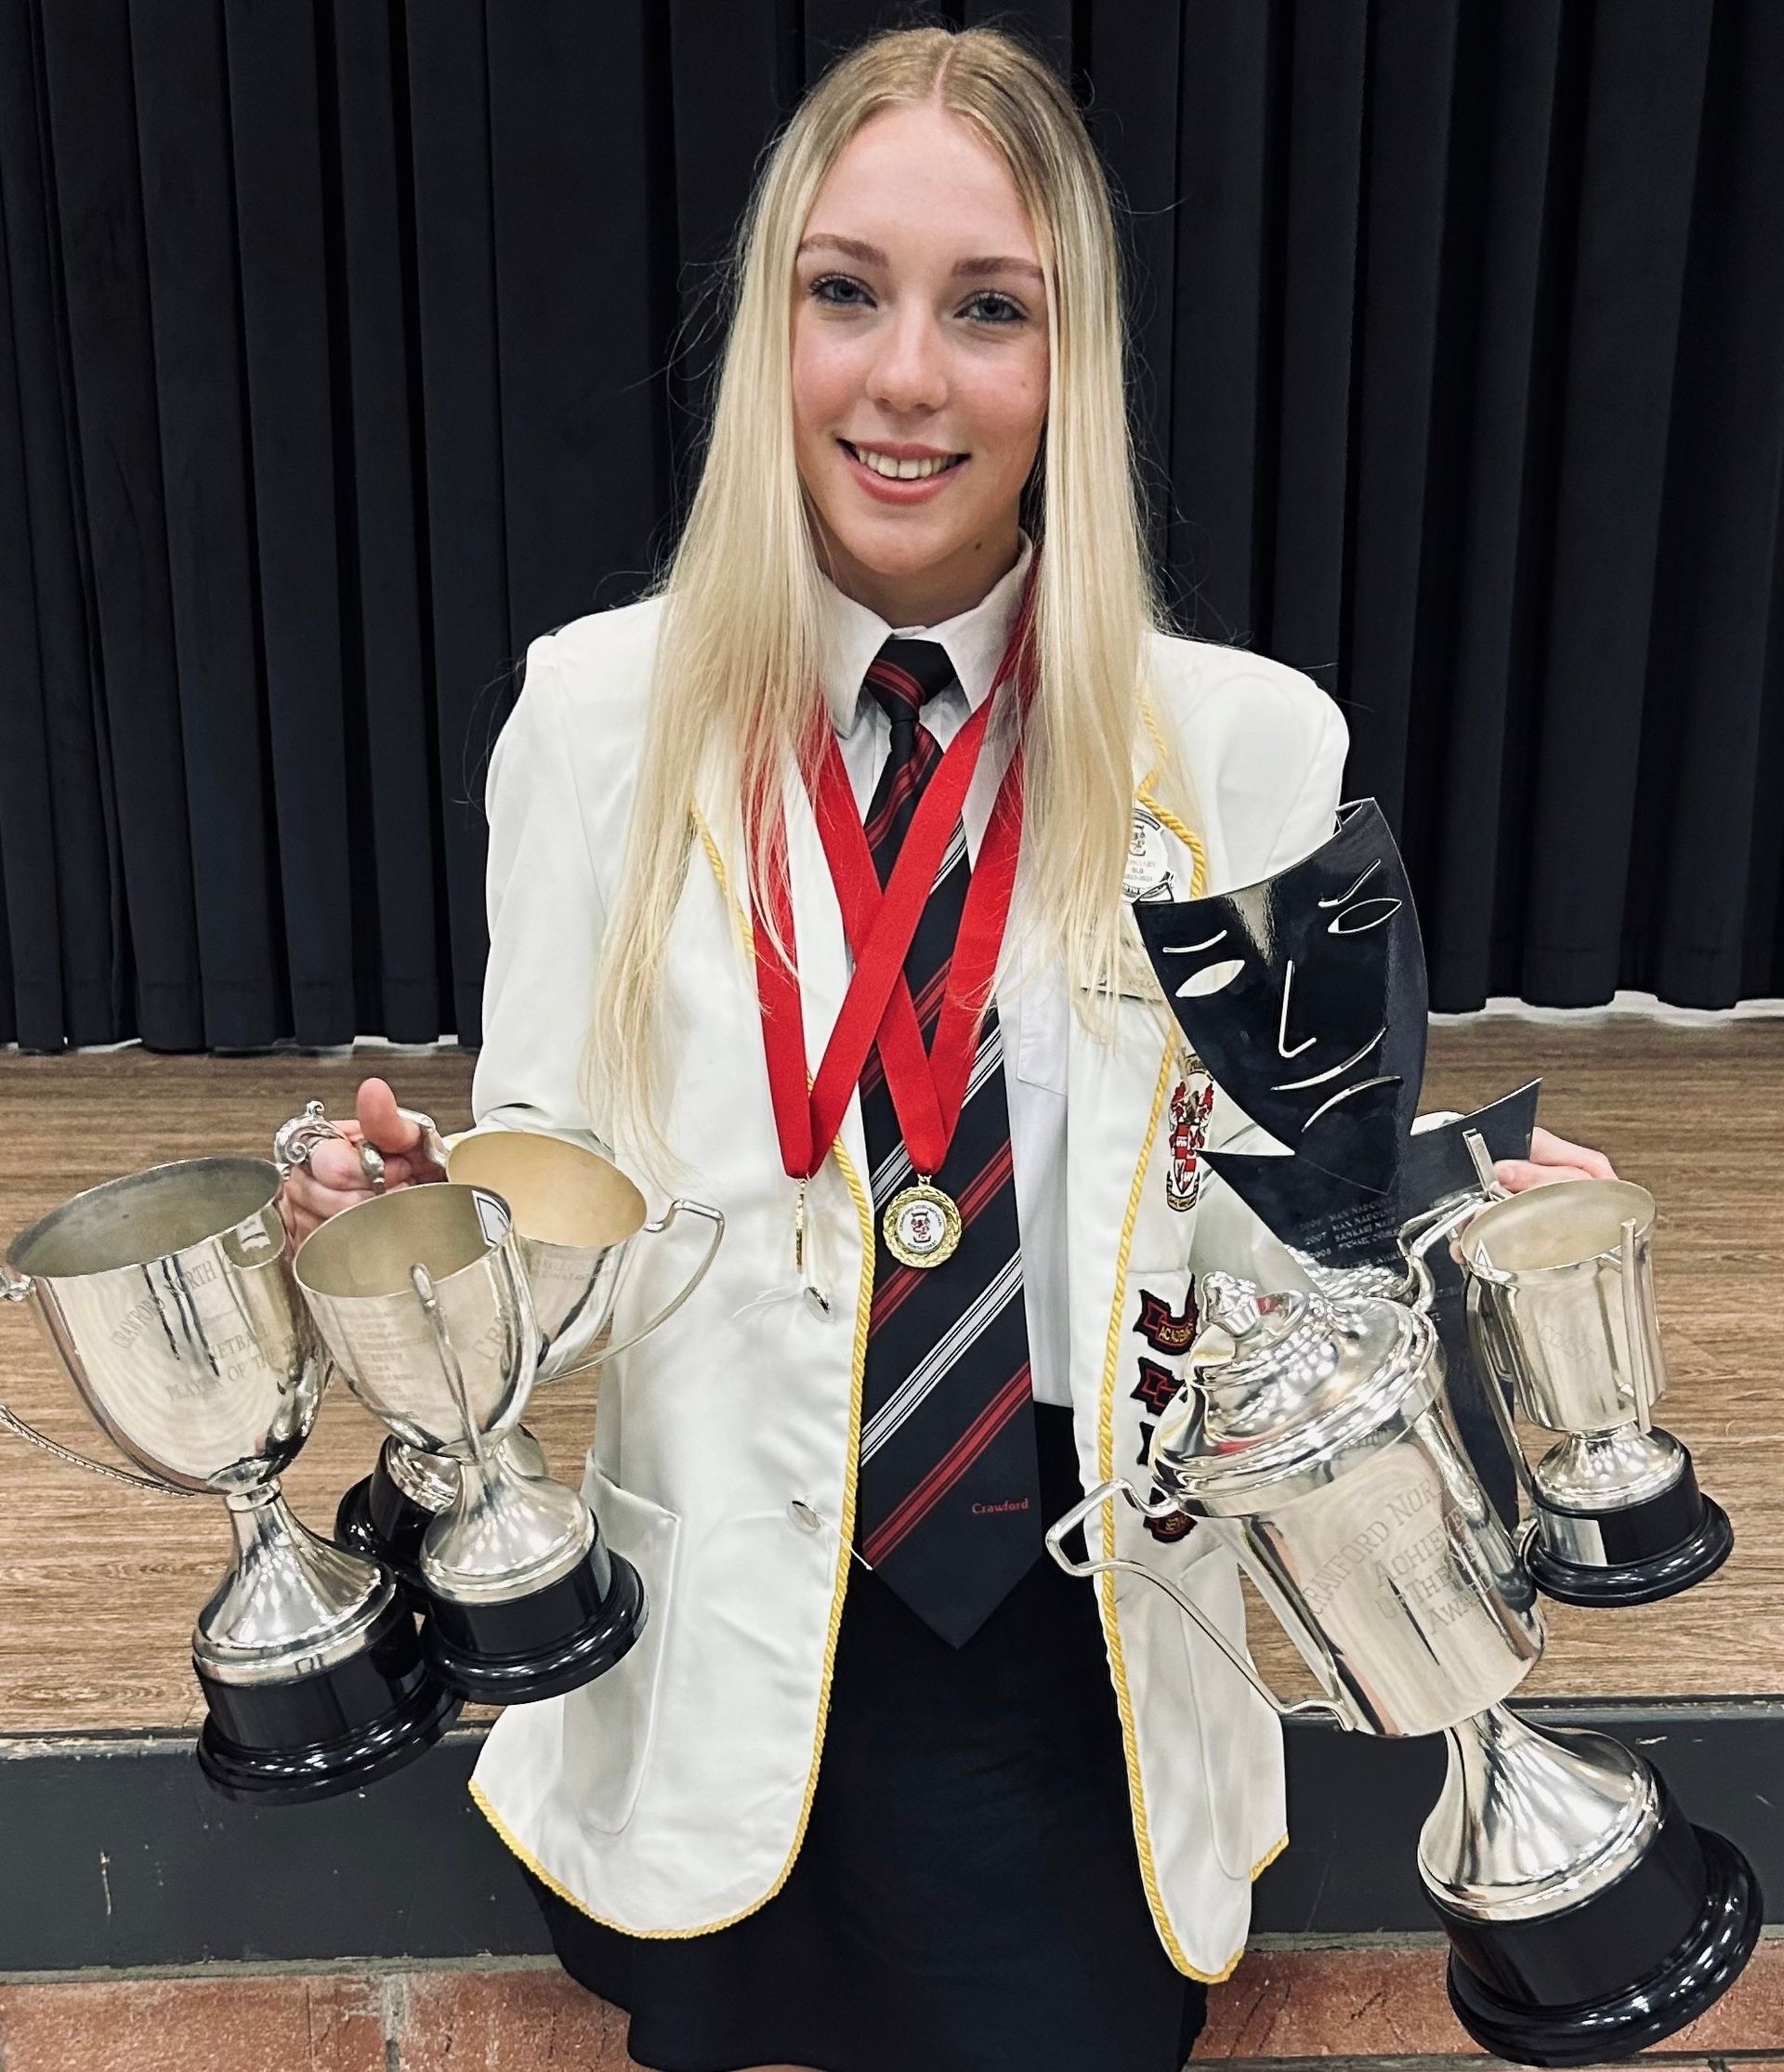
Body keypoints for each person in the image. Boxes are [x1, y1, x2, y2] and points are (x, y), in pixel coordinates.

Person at [280, 25, 1614, 2072]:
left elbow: (1276, 1226)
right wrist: (422, 1251)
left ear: (1067, 368)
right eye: (846, 291)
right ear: (771, 331)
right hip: (722, 1653)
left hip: (1080, 1655)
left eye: (989, 309)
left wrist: (1453, 1215)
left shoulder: (1247, 746)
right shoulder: (597, 719)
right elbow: (565, 1192)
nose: (907, 375)